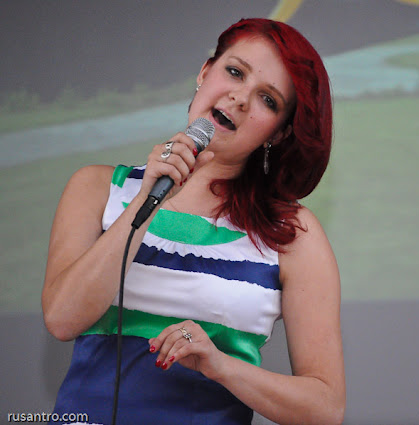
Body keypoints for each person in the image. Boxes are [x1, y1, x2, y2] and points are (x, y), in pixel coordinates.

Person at [42, 18, 345, 425]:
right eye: (234, 72)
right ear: (204, 72)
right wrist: (147, 200)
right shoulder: (97, 188)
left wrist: (221, 366)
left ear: (277, 134)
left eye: (268, 100)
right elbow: (62, 319)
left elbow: (325, 408)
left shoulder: (291, 234)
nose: (240, 98)